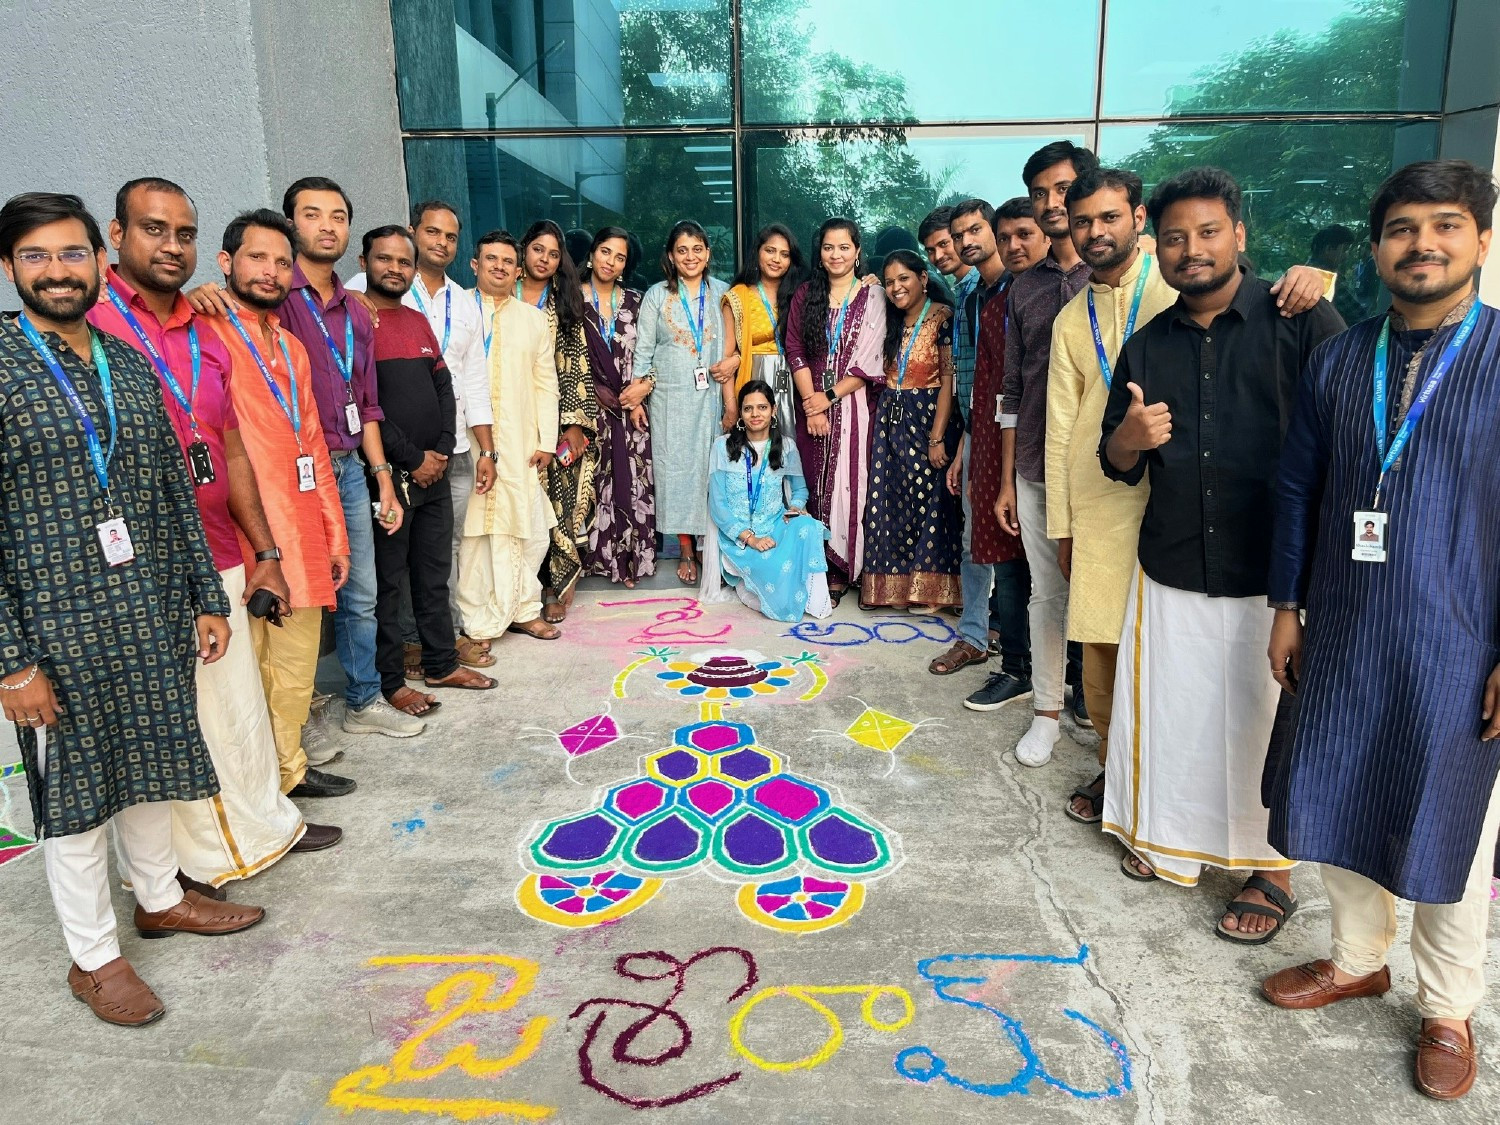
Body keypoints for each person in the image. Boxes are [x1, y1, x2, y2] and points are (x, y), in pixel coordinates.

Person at [1261, 160, 1500, 1101]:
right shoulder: (1339, 354)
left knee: (1451, 824)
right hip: (1348, 626)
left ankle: (1448, 1007)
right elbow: (1297, 489)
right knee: (1340, 790)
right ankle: (1357, 957)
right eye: (1401, 228)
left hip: (1461, 637)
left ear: (1480, 241)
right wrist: (1287, 605)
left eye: (1445, 225)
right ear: (1376, 249)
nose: (1422, 244)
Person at [0, 191, 265, 1027]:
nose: (56, 272)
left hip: (149, 613)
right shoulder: (3, 367)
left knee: (152, 764)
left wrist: (200, 595)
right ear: (10, 268)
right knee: (75, 801)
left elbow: (172, 493)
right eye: (35, 257)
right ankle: (95, 956)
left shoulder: (125, 361)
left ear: (96, 260)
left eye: (70, 255)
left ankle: (159, 897)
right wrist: (11, 660)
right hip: (53, 629)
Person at [1098, 166, 1344, 938]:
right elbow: (1115, 461)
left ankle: (1271, 871)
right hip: (1173, 563)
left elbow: (1356, 424)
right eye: (1174, 238)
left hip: (1276, 574)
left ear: (1240, 235)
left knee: (1267, 722)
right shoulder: (1145, 347)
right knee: (1182, 715)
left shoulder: (1301, 320)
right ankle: (1177, 842)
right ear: (1156, 248)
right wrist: (1128, 441)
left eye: (1207, 233)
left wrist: (1320, 278)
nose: (1190, 250)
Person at [88, 178, 339, 883]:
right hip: (141, 559)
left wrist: (264, 549)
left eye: (182, 233)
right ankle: (176, 877)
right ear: (116, 235)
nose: (171, 245)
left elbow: (227, 446)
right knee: (178, 720)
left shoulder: (205, 331)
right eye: (153, 229)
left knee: (236, 711)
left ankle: (263, 827)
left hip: (224, 545)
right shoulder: (96, 321)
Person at [209, 210, 358, 800]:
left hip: (300, 532)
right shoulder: (205, 331)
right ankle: (258, 789)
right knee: (244, 675)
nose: (269, 272)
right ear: (226, 264)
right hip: (241, 535)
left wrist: (334, 535)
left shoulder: (292, 346)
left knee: (295, 670)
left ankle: (289, 768)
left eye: (279, 261)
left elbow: (314, 445)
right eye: (255, 257)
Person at [1044, 168, 1177, 822]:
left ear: (1139, 217)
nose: (1094, 232)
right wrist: (1062, 527)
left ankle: (1162, 784)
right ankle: (1113, 766)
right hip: (1098, 503)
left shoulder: (1180, 288)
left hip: (1178, 499)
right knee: (1101, 652)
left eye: (1108, 218)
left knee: (1172, 649)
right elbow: (1062, 427)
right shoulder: (1072, 319)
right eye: (1083, 221)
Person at [347, 200, 496, 675]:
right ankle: (391, 676)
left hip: (440, 461)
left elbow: (448, 385)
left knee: (434, 571)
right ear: (364, 263)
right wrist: (412, 458)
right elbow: (364, 402)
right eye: (385, 259)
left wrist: (445, 447)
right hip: (390, 470)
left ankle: (440, 660)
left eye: (401, 261)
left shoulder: (422, 318)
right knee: (389, 580)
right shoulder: (354, 314)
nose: (395, 268)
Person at [996, 142, 1100, 765]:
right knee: (1046, 593)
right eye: (1041, 193)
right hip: (1035, 463)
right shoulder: (1023, 289)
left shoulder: (1120, 272)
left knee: (1109, 594)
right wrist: (1009, 478)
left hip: (1110, 470)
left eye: (1062, 189)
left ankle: (1109, 715)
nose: (1052, 203)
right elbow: (1012, 388)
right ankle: (1046, 712)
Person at [959, 198, 1049, 709]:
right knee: (1010, 563)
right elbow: (998, 389)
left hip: (1058, 446)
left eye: (1025, 235)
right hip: (1000, 441)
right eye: (1007, 235)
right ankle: (1016, 667)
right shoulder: (993, 299)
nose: (1015, 245)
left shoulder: (1070, 289)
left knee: (1055, 569)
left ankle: (1072, 680)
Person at [456, 230, 561, 641]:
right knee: (475, 530)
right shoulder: (457, 310)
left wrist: (547, 441)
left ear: (517, 271)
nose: (498, 267)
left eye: (506, 261)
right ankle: (477, 617)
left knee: (525, 526)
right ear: (474, 264)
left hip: (519, 441)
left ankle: (524, 608)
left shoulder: (533, 319)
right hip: (466, 438)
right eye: (490, 259)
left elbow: (545, 383)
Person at [929, 199, 1017, 673]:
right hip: (979, 431)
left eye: (972, 231)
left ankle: (1038, 658)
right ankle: (975, 636)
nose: (964, 242)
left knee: (1022, 546)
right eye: (955, 235)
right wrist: (963, 442)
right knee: (973, 540)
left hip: (1024, 432)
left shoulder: (1021, 286)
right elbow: (970, 381)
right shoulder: (971, 294)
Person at [785, 217, 887, 600]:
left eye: (844, 247)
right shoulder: (806, 295)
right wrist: (812, 408)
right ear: (820, 253)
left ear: (857, 252)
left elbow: (869, 361)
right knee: (812, 482)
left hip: (853, 407)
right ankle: (818, 564)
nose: (836, 254)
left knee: (852, 484)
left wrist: (827, 398)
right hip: (810, 403)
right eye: (828, 247)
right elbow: (794, 349)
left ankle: (848, 568)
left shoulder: (871, 296)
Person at [860, 250, 961, 609]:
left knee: (933, 503)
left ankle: (933, 588)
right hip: (891, 419)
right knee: (894, 503)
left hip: (929, 414)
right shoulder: (889, 319)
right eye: (889, 281)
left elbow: (949, 381)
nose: (895, 287)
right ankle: (900, 587)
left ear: (922, 278)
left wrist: (937, 437)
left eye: (903, 278)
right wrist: (870, 284)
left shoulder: (942, 317)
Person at [635, 220, 732, 585]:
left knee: (710, 472)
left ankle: (712, 548)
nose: (690, 256)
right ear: (671, 257)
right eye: (682, 250)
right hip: (669, 400)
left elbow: (736, 345)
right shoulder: (657, 295)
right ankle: (687, 548)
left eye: (697, 249)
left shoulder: (724, 293)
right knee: (675, 473)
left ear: (707, 254)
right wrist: (636, 400)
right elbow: (643, 351)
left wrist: (734, 364)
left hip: (711, 400)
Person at [517, 220, 599, 624]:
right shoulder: (499, 295)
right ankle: (516, 589)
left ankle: (552, 586)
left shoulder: (562, 301)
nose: (544, 259)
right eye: (537, 250)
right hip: (507, 417)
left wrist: (574, 424)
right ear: (523, 250)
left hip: (553, 417)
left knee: (554, 506)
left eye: (553, 253)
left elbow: (577, 365)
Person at [704, 380, 832, 622]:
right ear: (740, 413)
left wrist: (794, 509)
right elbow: (717, 505)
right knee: (778, 601)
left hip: (775, 527)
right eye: (748, 408)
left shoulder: (786, 446)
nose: (755, 414)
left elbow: (800, 489)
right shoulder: (722, 447)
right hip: (739, 539)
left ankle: (816, 603)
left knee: (809, 526)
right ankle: (751, 586)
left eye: (762, 407)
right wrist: (750, 539)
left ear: (773, 410)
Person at [580, 225, 656, 587]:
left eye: (620, 257)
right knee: (594, 483)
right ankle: (598, 559)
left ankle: (631, 557)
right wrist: (592, 390)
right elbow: (560, 358)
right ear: (593, 253)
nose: (611, 261)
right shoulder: (568, 300)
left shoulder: (639, 302)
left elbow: (658, 354)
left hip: (633, 411)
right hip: (588, 410)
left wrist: (643, 388)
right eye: (606, 251)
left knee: (635, 481)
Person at [721, 223, 804, 437]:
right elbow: (726, 358)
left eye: (784, 254)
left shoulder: (801, 294)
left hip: (796, 380)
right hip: (754, 377)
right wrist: (731, 406)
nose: (776, 259)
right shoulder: (738, 296)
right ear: (757, 251)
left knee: (793, 448)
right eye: (770, 251)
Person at [918, 206, 975, 305]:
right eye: (931, 250)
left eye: (943, 244)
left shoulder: (984, 284)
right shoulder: (960, 288)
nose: (937, 256)